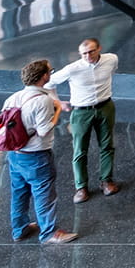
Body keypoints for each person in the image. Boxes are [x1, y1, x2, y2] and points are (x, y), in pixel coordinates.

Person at [2, 59, 78, 243]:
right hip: (36, 156)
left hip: (15, 154)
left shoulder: (13, 98)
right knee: (44, 193)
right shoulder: (43, 100)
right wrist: (57, 110)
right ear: (44, 76)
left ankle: (19, 229)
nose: (50, 74)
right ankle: (49, 233)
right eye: (50, 71)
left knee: (19, 192)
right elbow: (43, 130)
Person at [48, 37, 120, 203]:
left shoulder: (111, 59)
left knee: (107, 146)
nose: (87, 56)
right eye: (83, 54)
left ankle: (106, 181)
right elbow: (49, 83)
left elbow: (112, 72)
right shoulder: (72, 69)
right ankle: (81, 187)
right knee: (80, 150)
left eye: (91, 52)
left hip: (105, 106)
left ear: (99, 48)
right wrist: (58, 102)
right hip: (81, 111)